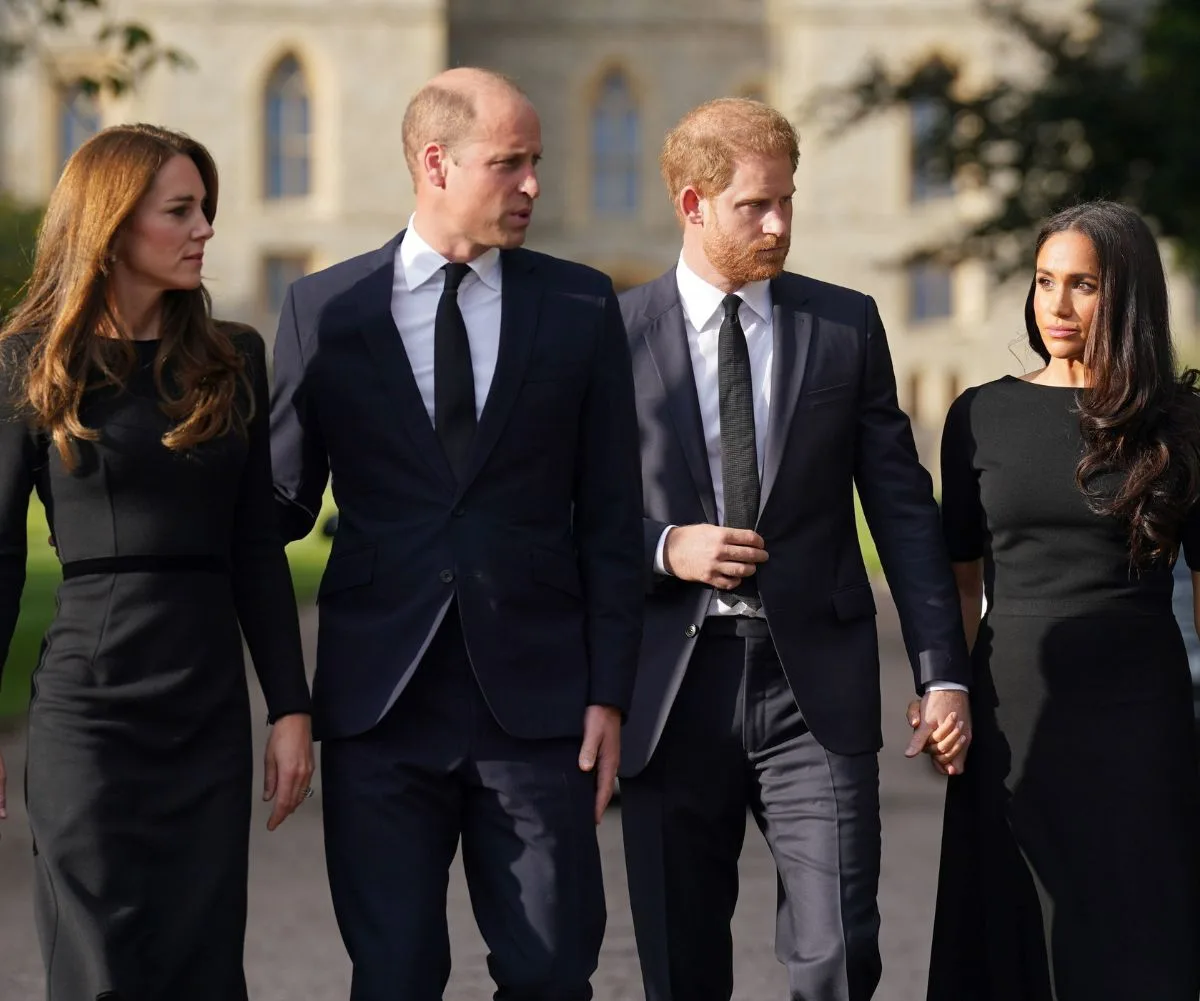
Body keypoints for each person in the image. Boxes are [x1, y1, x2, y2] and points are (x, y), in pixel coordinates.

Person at [269, 68, 643, 1000]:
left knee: (553, 969)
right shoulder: (326, 311)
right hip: (378, 704)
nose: (533, 186)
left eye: (537, 163)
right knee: (393, 974)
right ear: (435, 163)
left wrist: (609, 693)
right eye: (509, 163)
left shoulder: (581, 304)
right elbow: (274, 507)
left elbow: (609, 516)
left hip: (539, 706)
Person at [616, 97, 972, 1001]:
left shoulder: (843, 327)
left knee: (840, 955)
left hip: (812, 690)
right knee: (679, 963)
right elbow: (560, 513)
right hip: (670, 689)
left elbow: (902, 510)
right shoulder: (609, 338)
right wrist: (664, 547)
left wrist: (942, 668)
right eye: (754, 207)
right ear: (693, 205)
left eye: (788, 202)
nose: (778, 225)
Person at [0, 123, 314, 1000]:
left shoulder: (233, 358)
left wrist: (289, 706)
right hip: (86, 713)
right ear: (112, 226)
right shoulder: (29, 363)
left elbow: (256, 548)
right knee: (97, 963)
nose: (204, 227)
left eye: (205, 207)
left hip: (205, 706)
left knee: (201, 963)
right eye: (180, 211)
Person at [924, 200, 1200, 1000]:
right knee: (1013, 930)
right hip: (1013, 709)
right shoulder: (980, 414)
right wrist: (945, 687)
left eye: (1083, 284)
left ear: (1128, 296)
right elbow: (960, 574)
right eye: (1046, 281)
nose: (1057, 304)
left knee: (1135, 934)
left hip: (1139, 714)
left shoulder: (1178, 424)